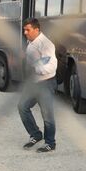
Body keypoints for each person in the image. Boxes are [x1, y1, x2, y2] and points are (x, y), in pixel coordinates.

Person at [18, 18, 58, 153]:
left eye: (27, 30)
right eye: (24, 29)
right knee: (22, 107)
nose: (25, 32)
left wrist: (36, 67)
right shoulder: (31, 42)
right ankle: (35, 134)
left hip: (46, 83)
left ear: (36, 29)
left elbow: (51, 67)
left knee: (47, 115)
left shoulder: (46, 45)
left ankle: (50, 143)